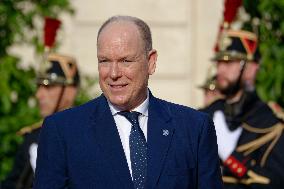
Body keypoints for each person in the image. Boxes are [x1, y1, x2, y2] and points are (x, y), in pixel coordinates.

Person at [33, 15, 223, 189]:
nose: (114, 74)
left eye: (125, 61)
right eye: (105, 61)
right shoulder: (63, 131)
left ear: (151, 62)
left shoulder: (193, 128)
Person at [202, 29, 284, 188]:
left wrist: (231, 157)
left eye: (229, 62)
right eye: (219, 62)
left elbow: (276, 182)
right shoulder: (204, 116)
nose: (220, 70)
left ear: (251, 68)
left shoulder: (270, 123)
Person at [1, 53, 80, 189]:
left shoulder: (90, 134)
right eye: (39, 86)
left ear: (70, 90)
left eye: (49, 87)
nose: (39, 95)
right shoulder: (33, 138)